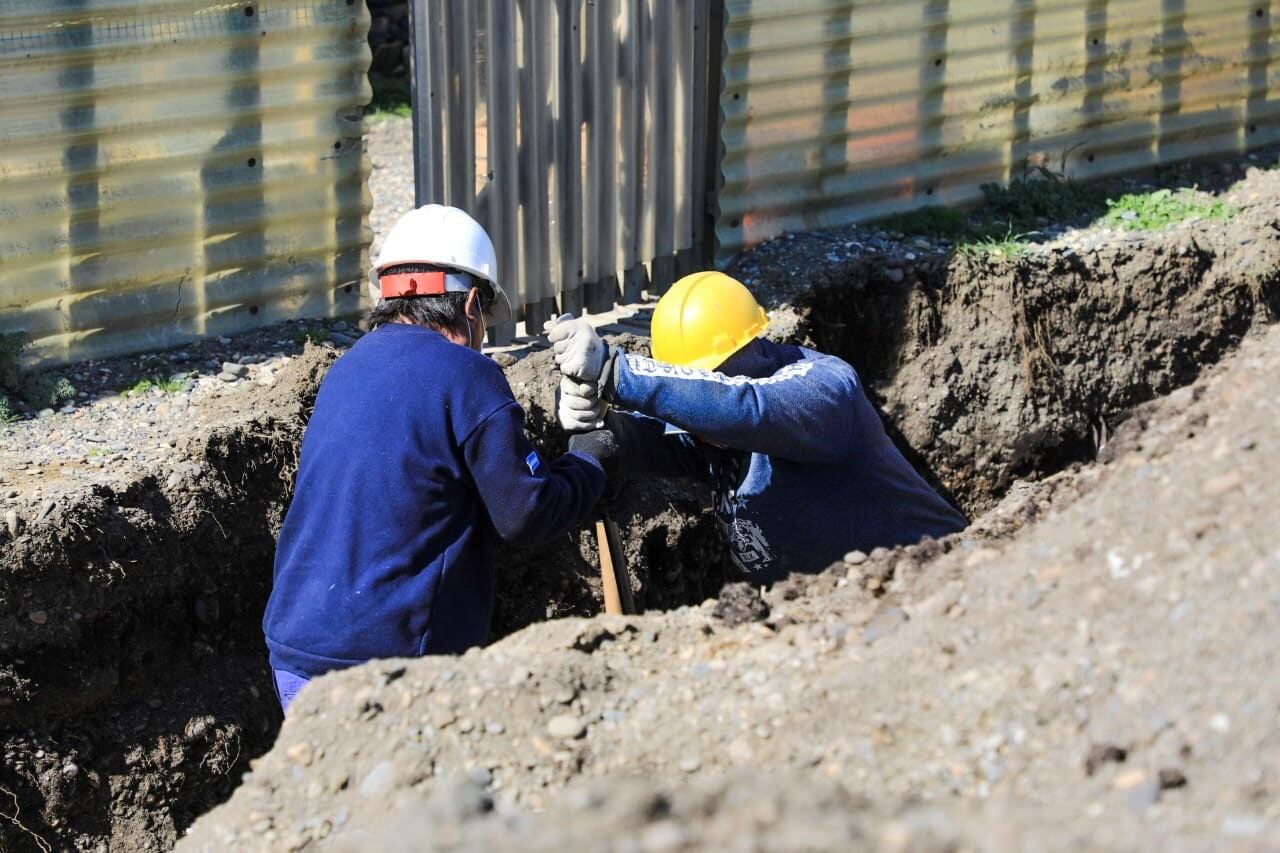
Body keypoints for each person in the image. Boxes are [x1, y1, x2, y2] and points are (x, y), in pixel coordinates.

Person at [263, 205, 618, 712]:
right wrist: (589, 459)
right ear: (472, 305)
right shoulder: (467, 376)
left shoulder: (345, 370)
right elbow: (526, 514)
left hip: (295, 652)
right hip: (388, 666)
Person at [547, 270, 967, 582]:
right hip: (829, 619)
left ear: (750, 356)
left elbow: (747, 409)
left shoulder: (825, 391)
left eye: (712, 378)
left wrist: (617, 372)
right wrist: (596, 414)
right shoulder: (710, 435)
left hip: (938, 581)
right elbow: (647, 436)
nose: (696, 419)